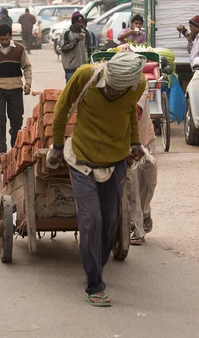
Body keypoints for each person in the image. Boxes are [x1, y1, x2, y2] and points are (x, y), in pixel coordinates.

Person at [48, 52, 147, 307]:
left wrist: (135, 143)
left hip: (115, 161)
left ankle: (97, 265)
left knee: (111, 219)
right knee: (91, 218)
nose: (114, 92)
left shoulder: (138, 84)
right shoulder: (86, 76)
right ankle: (95, 283)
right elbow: (61, 108)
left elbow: (129, 115)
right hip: (81, 158)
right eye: (111, 87)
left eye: (120, 89)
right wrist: (57, 145)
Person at [0, 24, 32, 155]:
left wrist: (28, 83)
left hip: (16, 89)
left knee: (16, 120)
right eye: (1, 39)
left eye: (6, 39)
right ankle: (2, 149)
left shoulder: (20, 49)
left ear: (10, 36)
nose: (4, 42)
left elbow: (27, 67)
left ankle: (14, 145)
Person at [126, 89, 157, 245]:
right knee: (133, 186)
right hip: (126, 143)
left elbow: (137, 111)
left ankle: (145, 213)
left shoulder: (140, 84)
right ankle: (138, 230)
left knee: (150, 182)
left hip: (146, 138)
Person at [60, 12, 91, 82]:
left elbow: (87, 49)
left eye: (82, 22)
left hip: (83, 67)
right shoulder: (66, 33)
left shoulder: (84, 33)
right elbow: (63, 48)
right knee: (71, 90)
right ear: (73, 23)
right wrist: (76, 40)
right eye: (79, 22)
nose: (81, 24)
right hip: (71, 68)